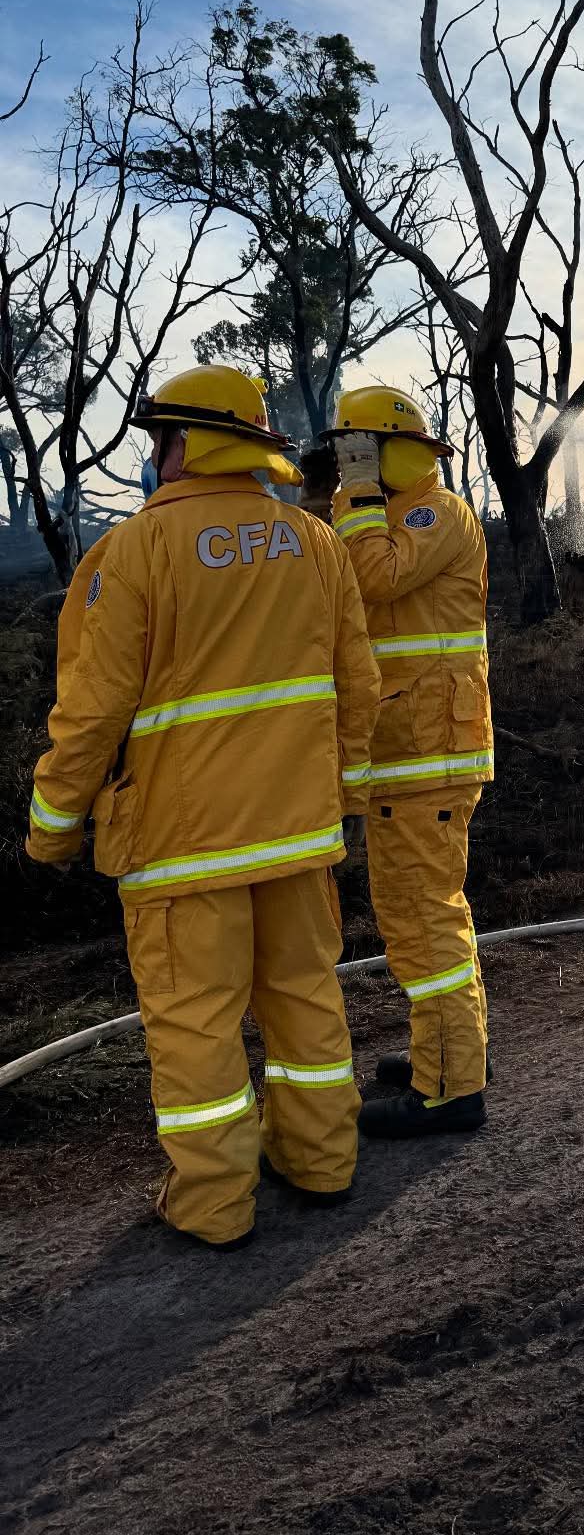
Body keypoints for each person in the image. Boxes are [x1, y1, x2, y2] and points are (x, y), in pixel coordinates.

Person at [26, 366, 379, 1249]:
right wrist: (339, 794)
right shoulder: (316, 541)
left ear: (185, 444)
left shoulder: (131, 555)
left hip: (182, 849)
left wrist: (52, 825)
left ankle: (215, 1204)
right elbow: (358, 686)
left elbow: (91, 711)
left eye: (157, 439)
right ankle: (323, 1160)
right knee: (305, 1000)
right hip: (299, 836)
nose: (152, 456)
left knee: (195, 1025)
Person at [325, 386, 495, 1140]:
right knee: (425, 917)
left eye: (353, 452)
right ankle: (449, 1055)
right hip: (407, 755)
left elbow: (375, 578)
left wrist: (358, 494)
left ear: (383, 450)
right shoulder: (382, 518)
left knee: (425, 923)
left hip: (427, 755)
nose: (344, 467)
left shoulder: (433, 512)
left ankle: (450, 1091)